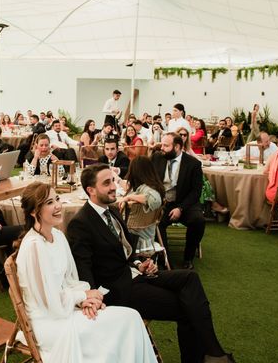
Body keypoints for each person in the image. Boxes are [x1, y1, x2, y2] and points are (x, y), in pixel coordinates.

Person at [67, 164, 234, 363]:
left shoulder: (112, 211)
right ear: (90, 190)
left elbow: (125, 253)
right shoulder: (81, 223)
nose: (114, 186)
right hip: (117, 291)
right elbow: (82, 267)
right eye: (106, 183)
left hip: (135, 275)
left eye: (112, 180)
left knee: (190, 277)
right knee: (187, 308)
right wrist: (91, 297)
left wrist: (139, 264)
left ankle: (214, 353)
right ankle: (213, 356)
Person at [15, 181, 157, 363]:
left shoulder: (57, 236)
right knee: (125, 323)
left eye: (57, 199)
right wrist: (82, 296)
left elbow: (71, 279)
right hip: (49, 321)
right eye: (49, 203)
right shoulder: (34, 247)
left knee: (131, 317)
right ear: (34, 212)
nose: (58, 206)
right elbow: (49, 302)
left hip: (67, 308)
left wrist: (87, 300)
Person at [152, 133, 205, 270]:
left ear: (177, 147)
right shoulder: (157, 158)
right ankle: (166, 260)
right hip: (163, 203)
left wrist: (181, 208)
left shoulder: (193, 164)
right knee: (155, 223)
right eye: (162, 144)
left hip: (186, 203)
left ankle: (188, 258)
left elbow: (196, 192)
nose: (161, 148)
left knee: (198, 221)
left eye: (166, 145)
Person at [122, 156, 164, 255]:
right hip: (146, 235)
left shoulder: (147, 188)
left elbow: (155, 200)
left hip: (137, 239)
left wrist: (129, 197)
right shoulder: (148, 186)